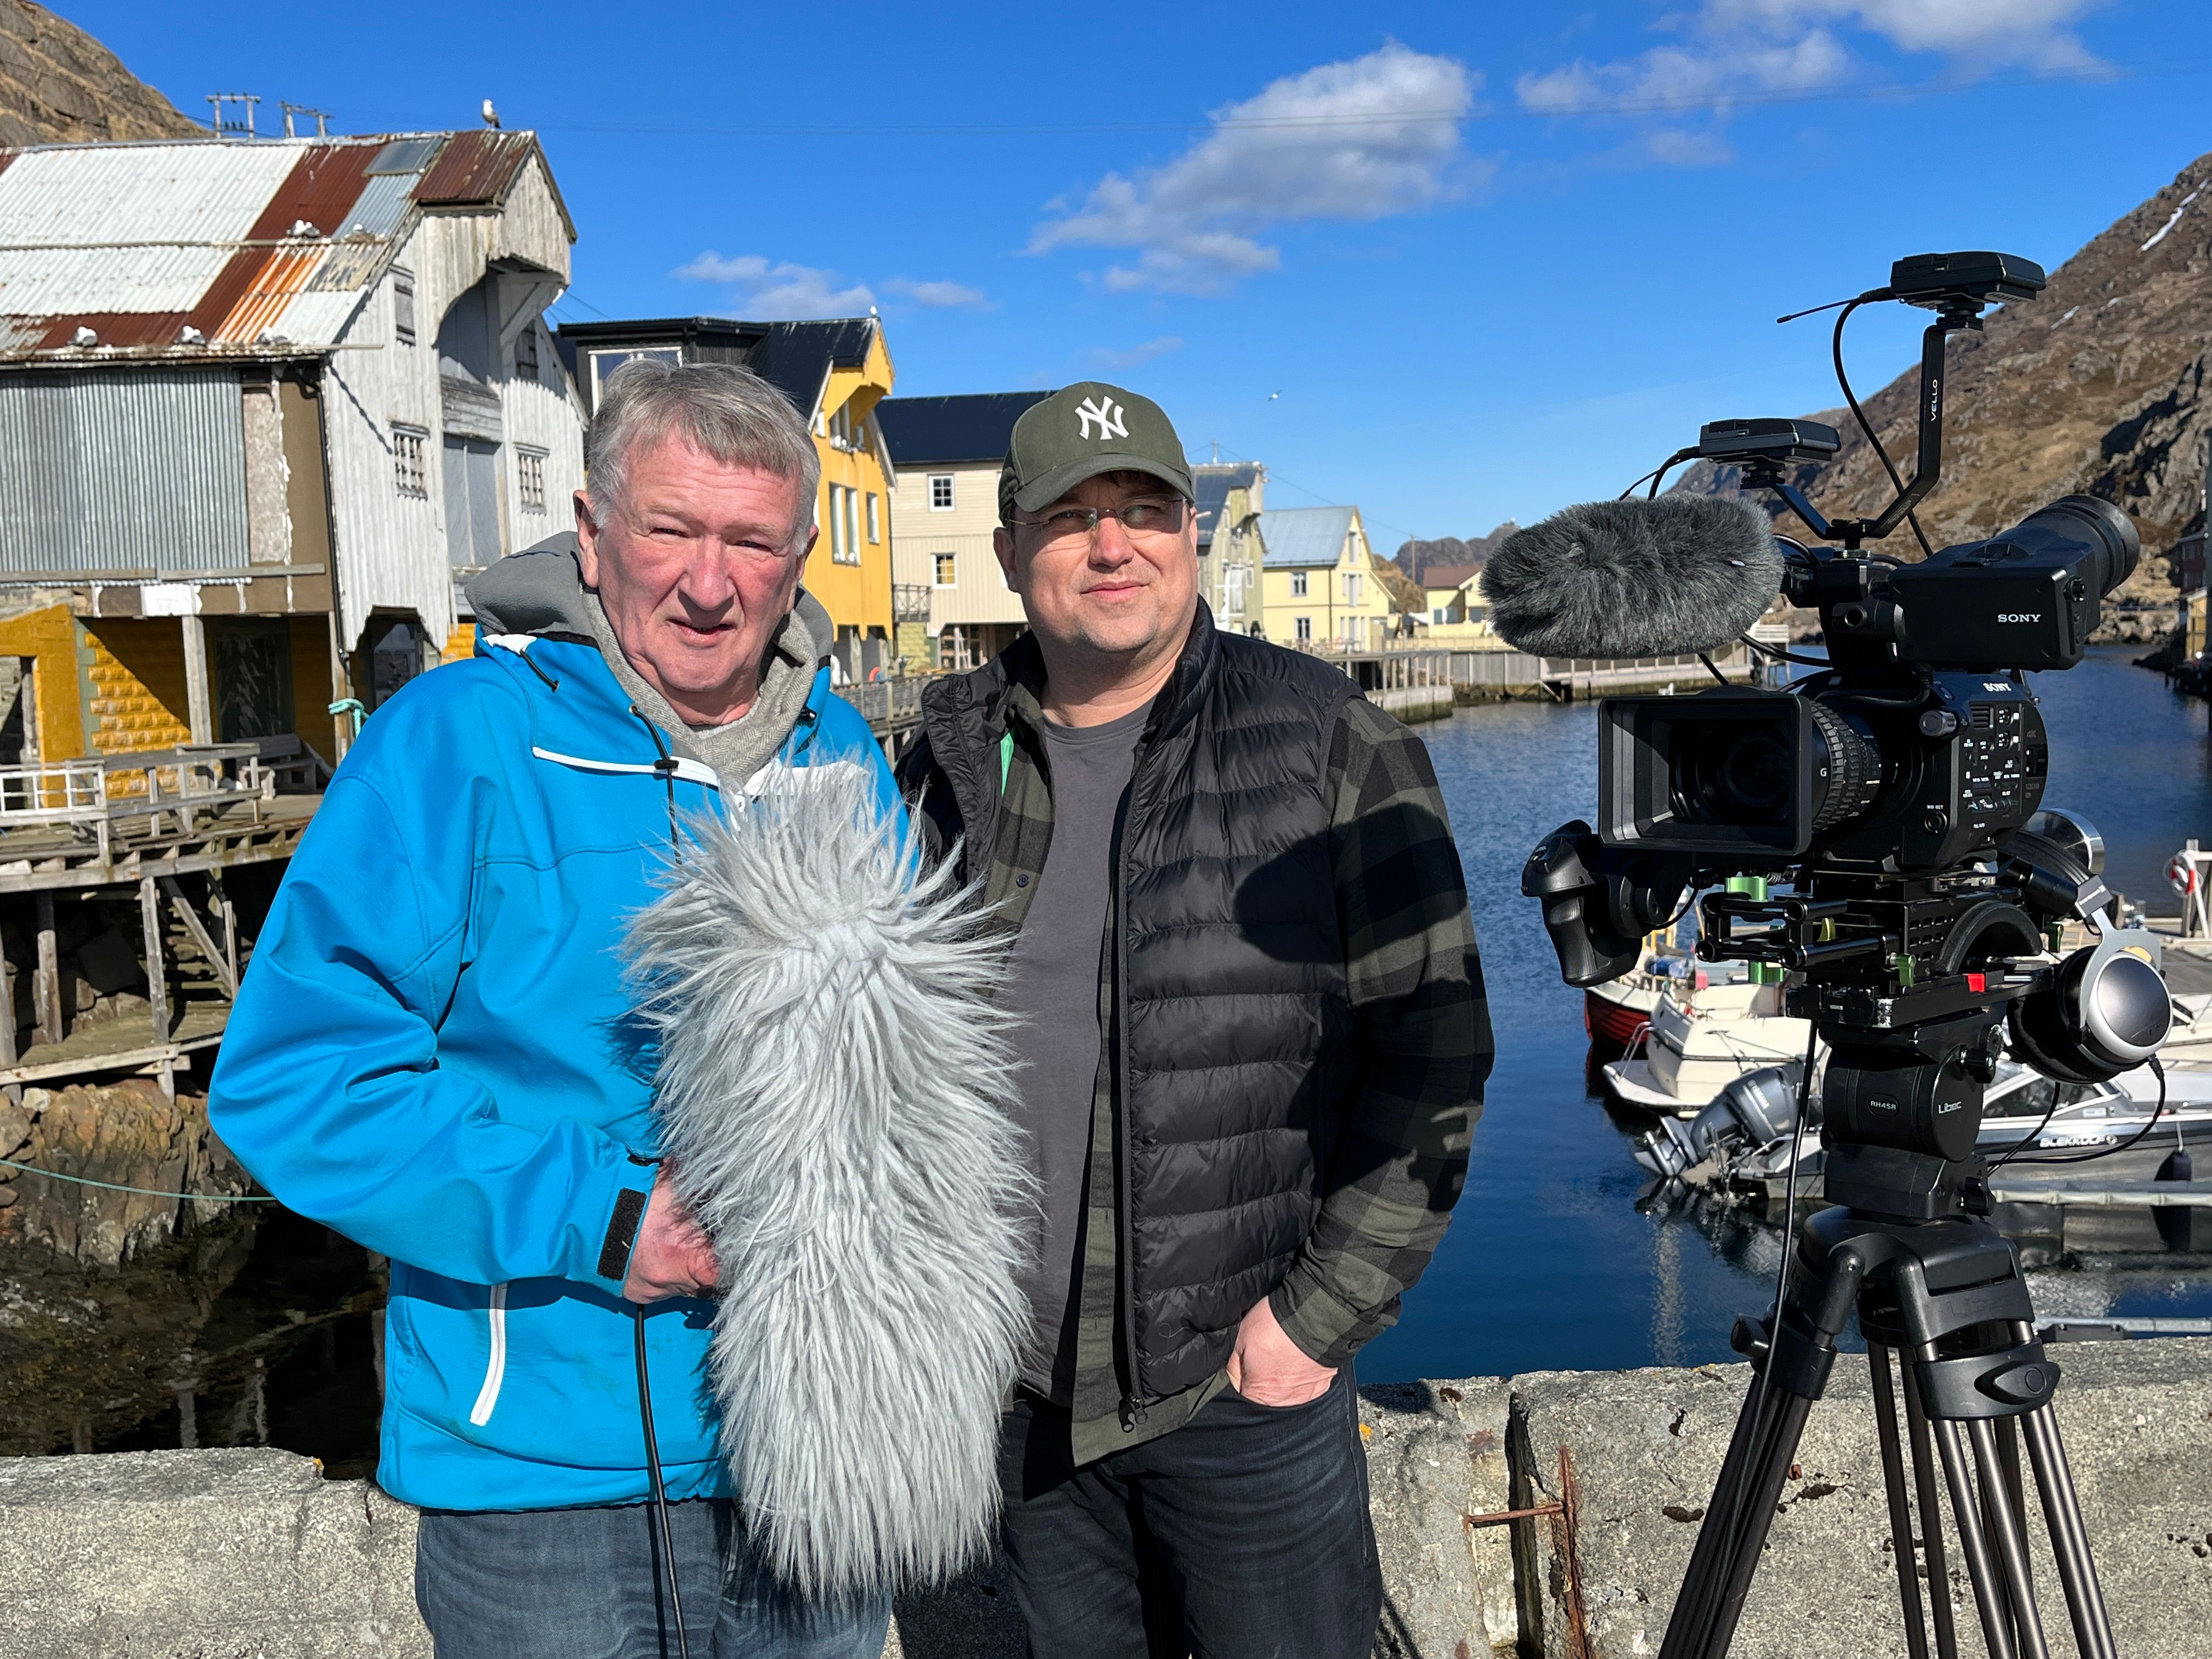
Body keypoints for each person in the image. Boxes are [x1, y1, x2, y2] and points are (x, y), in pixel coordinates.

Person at [209, 359, 896, 1658]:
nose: (710, 584)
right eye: (670, 530)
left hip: (818, 1452)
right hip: (539, 1484)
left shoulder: (844, 758)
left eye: (752, 542)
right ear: (591, 531)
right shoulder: (455, 740)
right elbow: (294, 1079)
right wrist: (608, 1216)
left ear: (800, 558)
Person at [896, 381, 1492, 1658]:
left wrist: (1311, 1324)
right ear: (1008, 550)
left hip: (1239, 1392)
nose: (1113, 545)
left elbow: (1435, 1053)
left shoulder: (1330, 740)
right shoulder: (944, 765)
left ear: (1191, 535)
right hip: (1017, 1397)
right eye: (1071, 517)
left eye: (1145, 510)